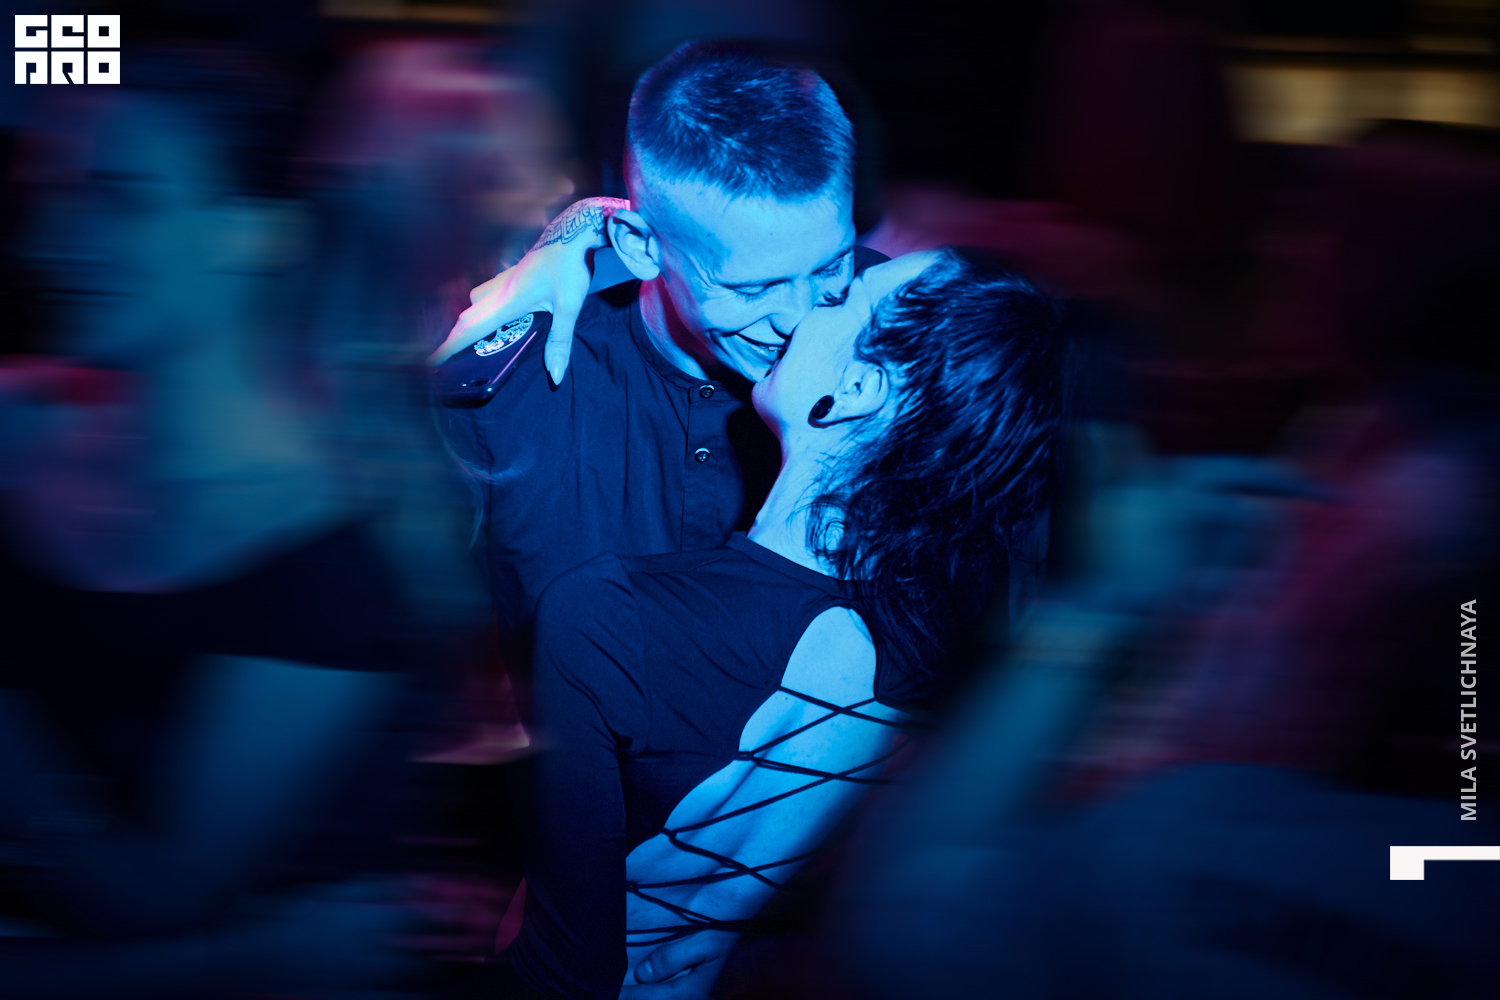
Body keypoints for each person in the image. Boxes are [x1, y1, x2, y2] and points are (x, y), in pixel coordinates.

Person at [0, 45, 478, 998]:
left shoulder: (315, 553)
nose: (54, 239)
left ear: (254, 233)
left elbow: (157, 900)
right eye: (52, 194)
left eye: (119, 200)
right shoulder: (20, 421)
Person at [475, 247, 1060, 1000]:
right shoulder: (971, 637)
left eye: (836, 300)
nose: (797, 312)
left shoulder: (610, 616)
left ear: (857, 388)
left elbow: (564, 971)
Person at [434, 41, 884, 677]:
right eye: (752, 289)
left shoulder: (905, 342)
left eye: (831, 266)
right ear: (640, 247)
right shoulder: (510, 398)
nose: (801, 316)